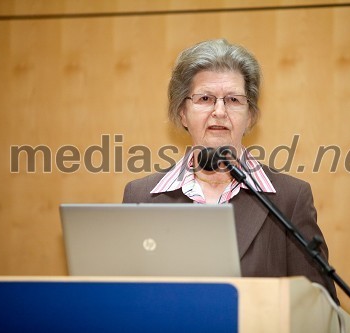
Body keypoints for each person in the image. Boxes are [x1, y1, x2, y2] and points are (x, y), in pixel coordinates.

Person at [123, 39, 338, 302]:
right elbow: (127, 300)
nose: (220, 111)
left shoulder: (290, 198)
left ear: (250, 116)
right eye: (205, 98)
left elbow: (319, 308)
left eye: (234, 100)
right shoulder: (142, 196)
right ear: (182, 113)